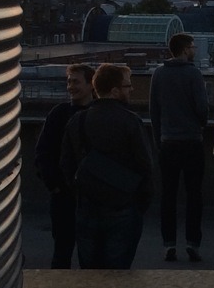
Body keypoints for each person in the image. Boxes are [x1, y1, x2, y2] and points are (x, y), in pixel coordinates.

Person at [60, 63, 153, 270]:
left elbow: (66, 163)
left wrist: (79, 192)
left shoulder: (78, 120)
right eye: (127, 86)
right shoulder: (131, 122)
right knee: (118, 275)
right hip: (123, 206)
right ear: (114, 91)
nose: (131, 90)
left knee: (90, 274)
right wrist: (139, 203)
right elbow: (145, 165)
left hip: (87, 206)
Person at [149, 32, 210, 262]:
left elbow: (154, 111)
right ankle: (193, 243)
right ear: (185, 50)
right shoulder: (193, 74)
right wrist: (200, 124)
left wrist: (159, 139)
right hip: (192, 142)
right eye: (193, 46)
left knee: (168, 195)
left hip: (168, 143)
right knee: (194, 195)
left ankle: (169, 244)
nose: (194, 50)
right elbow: (202, 108)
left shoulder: (159, 74)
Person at [34, 63, 95, 268]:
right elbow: (43, 152)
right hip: (65, 198)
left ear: (91, 84)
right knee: (62, 252)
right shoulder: (59, 113)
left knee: (91, 257)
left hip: (89, 198)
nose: (70, 86)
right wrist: (55, 186)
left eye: (76, 82)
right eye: (69, 81)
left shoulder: (96, 114)